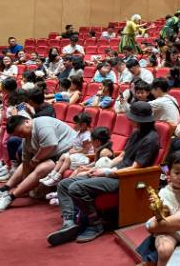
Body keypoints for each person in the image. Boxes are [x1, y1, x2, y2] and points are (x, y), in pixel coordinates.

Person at [47, 101, 160, 244]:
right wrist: (99, 167)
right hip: (116, 172)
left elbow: (135, 168)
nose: (129, 120)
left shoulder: (150, 139)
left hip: (126, 179)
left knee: (76, 188)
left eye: (132, 118)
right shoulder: (136, 132)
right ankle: (69, 222)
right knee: (63, 185)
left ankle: (95, 224)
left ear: (139, 120)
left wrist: (106, 172)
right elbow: (122, 156)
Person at [0, 115, 77, 211]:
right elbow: (26, 161)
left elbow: (50, 145)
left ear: (27, 122)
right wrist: (25, 183)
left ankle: (10, 197)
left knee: (42, 168)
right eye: (18, 135)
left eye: (21, 132)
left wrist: (36, 159)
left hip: (68, 152)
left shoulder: (43, 124)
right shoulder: (26, 138)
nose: (21, 136)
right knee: (25, 164)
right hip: (52, 154)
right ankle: (5, 188)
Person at [39, 113, 94, 187]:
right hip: (77, 154)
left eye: (76, 123)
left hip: (85, 157)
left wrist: (74, 152)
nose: (74, 125)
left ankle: (56, 178)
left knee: (67, 158)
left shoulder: (86, 136)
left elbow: (85, 150)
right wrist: (72, 151)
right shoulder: (79, 132)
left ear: (83, 125)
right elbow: (76, 146)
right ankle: (51, 175)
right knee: (63, 156)